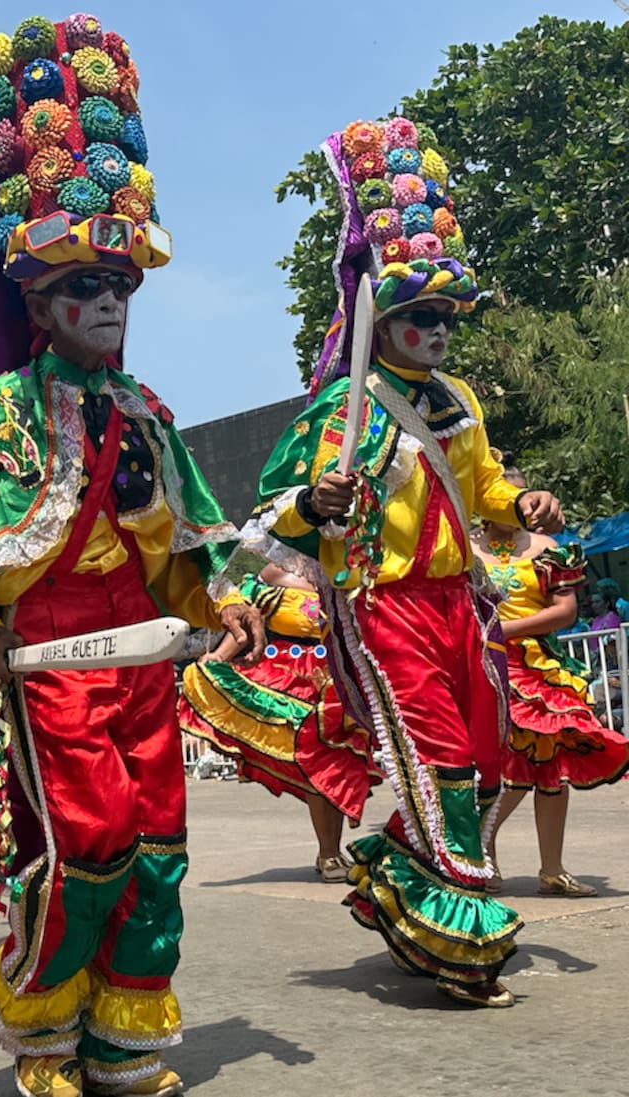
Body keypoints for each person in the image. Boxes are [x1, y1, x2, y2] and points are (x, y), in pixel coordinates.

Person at [0, 17, 264, 1096]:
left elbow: (185, 539)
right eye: (86, 286)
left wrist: (223, 596)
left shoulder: (147, 410)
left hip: (141, 655)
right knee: (87, 842)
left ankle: (124, 1037)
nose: (107, 301)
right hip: (47, 655)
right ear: (40, 302)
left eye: (122, 286)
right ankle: (44, 1034)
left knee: (156, 847)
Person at [242, 116, 564, 1008]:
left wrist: (523, 504)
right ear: (378, 314)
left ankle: (399, 879)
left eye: (445, 315)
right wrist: (318, 503)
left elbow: (488, 486)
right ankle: (463, 948)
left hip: (464, 602)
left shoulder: (457, 400)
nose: (436, 328)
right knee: (443, 765)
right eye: (418, 312)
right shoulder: (345, 407)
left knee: (490, 761)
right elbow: (272, 512)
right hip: (382, 607)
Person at [473, 470, 629, 897]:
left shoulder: (548, 549)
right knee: (503, 768)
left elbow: (565, 612)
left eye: (526, 497)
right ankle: (481, 849)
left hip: (536, 668)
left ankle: (551, 868)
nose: (522, 505)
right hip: (484, 667)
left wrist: (504, 628)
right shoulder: (462, 551)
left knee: (550, 767)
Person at [180, 564, 381, 880]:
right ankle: (328, 852)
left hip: (339, 680)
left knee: (342, 765)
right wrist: (218, 657)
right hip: (288, 682)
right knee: (321, 762)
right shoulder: (271, 577)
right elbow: (245, 620)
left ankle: (332, 849)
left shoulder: (348, 567)